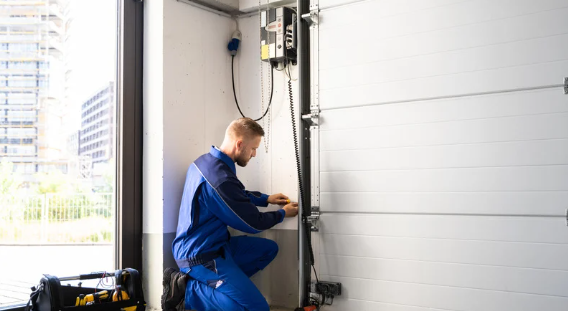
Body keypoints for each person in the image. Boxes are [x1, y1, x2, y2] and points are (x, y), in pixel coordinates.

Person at [162, 118, 299, 311]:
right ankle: (188, 292)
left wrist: (266, 199)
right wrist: (282, 214)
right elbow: (253, 224)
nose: (254, 154)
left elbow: (235, 195)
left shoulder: (206, 162)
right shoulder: (219, 179)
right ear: (240, 144)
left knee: (268, 249)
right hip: (200, 256)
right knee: (257, 308)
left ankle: (223, 289)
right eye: (253, 148)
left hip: (217, 246)